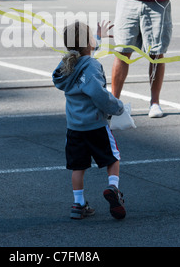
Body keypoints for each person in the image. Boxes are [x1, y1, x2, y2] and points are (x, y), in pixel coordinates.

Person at [52, 20, 126, 220]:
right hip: (95, 124)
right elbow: (98, 94)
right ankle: (113, 188)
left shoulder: (66, 65)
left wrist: (98, 38)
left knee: (78, 167)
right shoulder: (92, 65)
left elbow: (82, 57)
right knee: (113, 157)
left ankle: (78, 204)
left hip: (74, 127)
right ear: (88, 43)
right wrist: (118, 107)